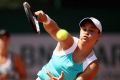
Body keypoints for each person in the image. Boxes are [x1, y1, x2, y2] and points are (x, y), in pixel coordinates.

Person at [35, 10, 102, 80]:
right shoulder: (69, 41)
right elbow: (54, 30)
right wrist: (46, 19)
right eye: (84, 29)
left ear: (99, 35)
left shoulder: (92, 65)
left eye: (91, 30)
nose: (86, 32)